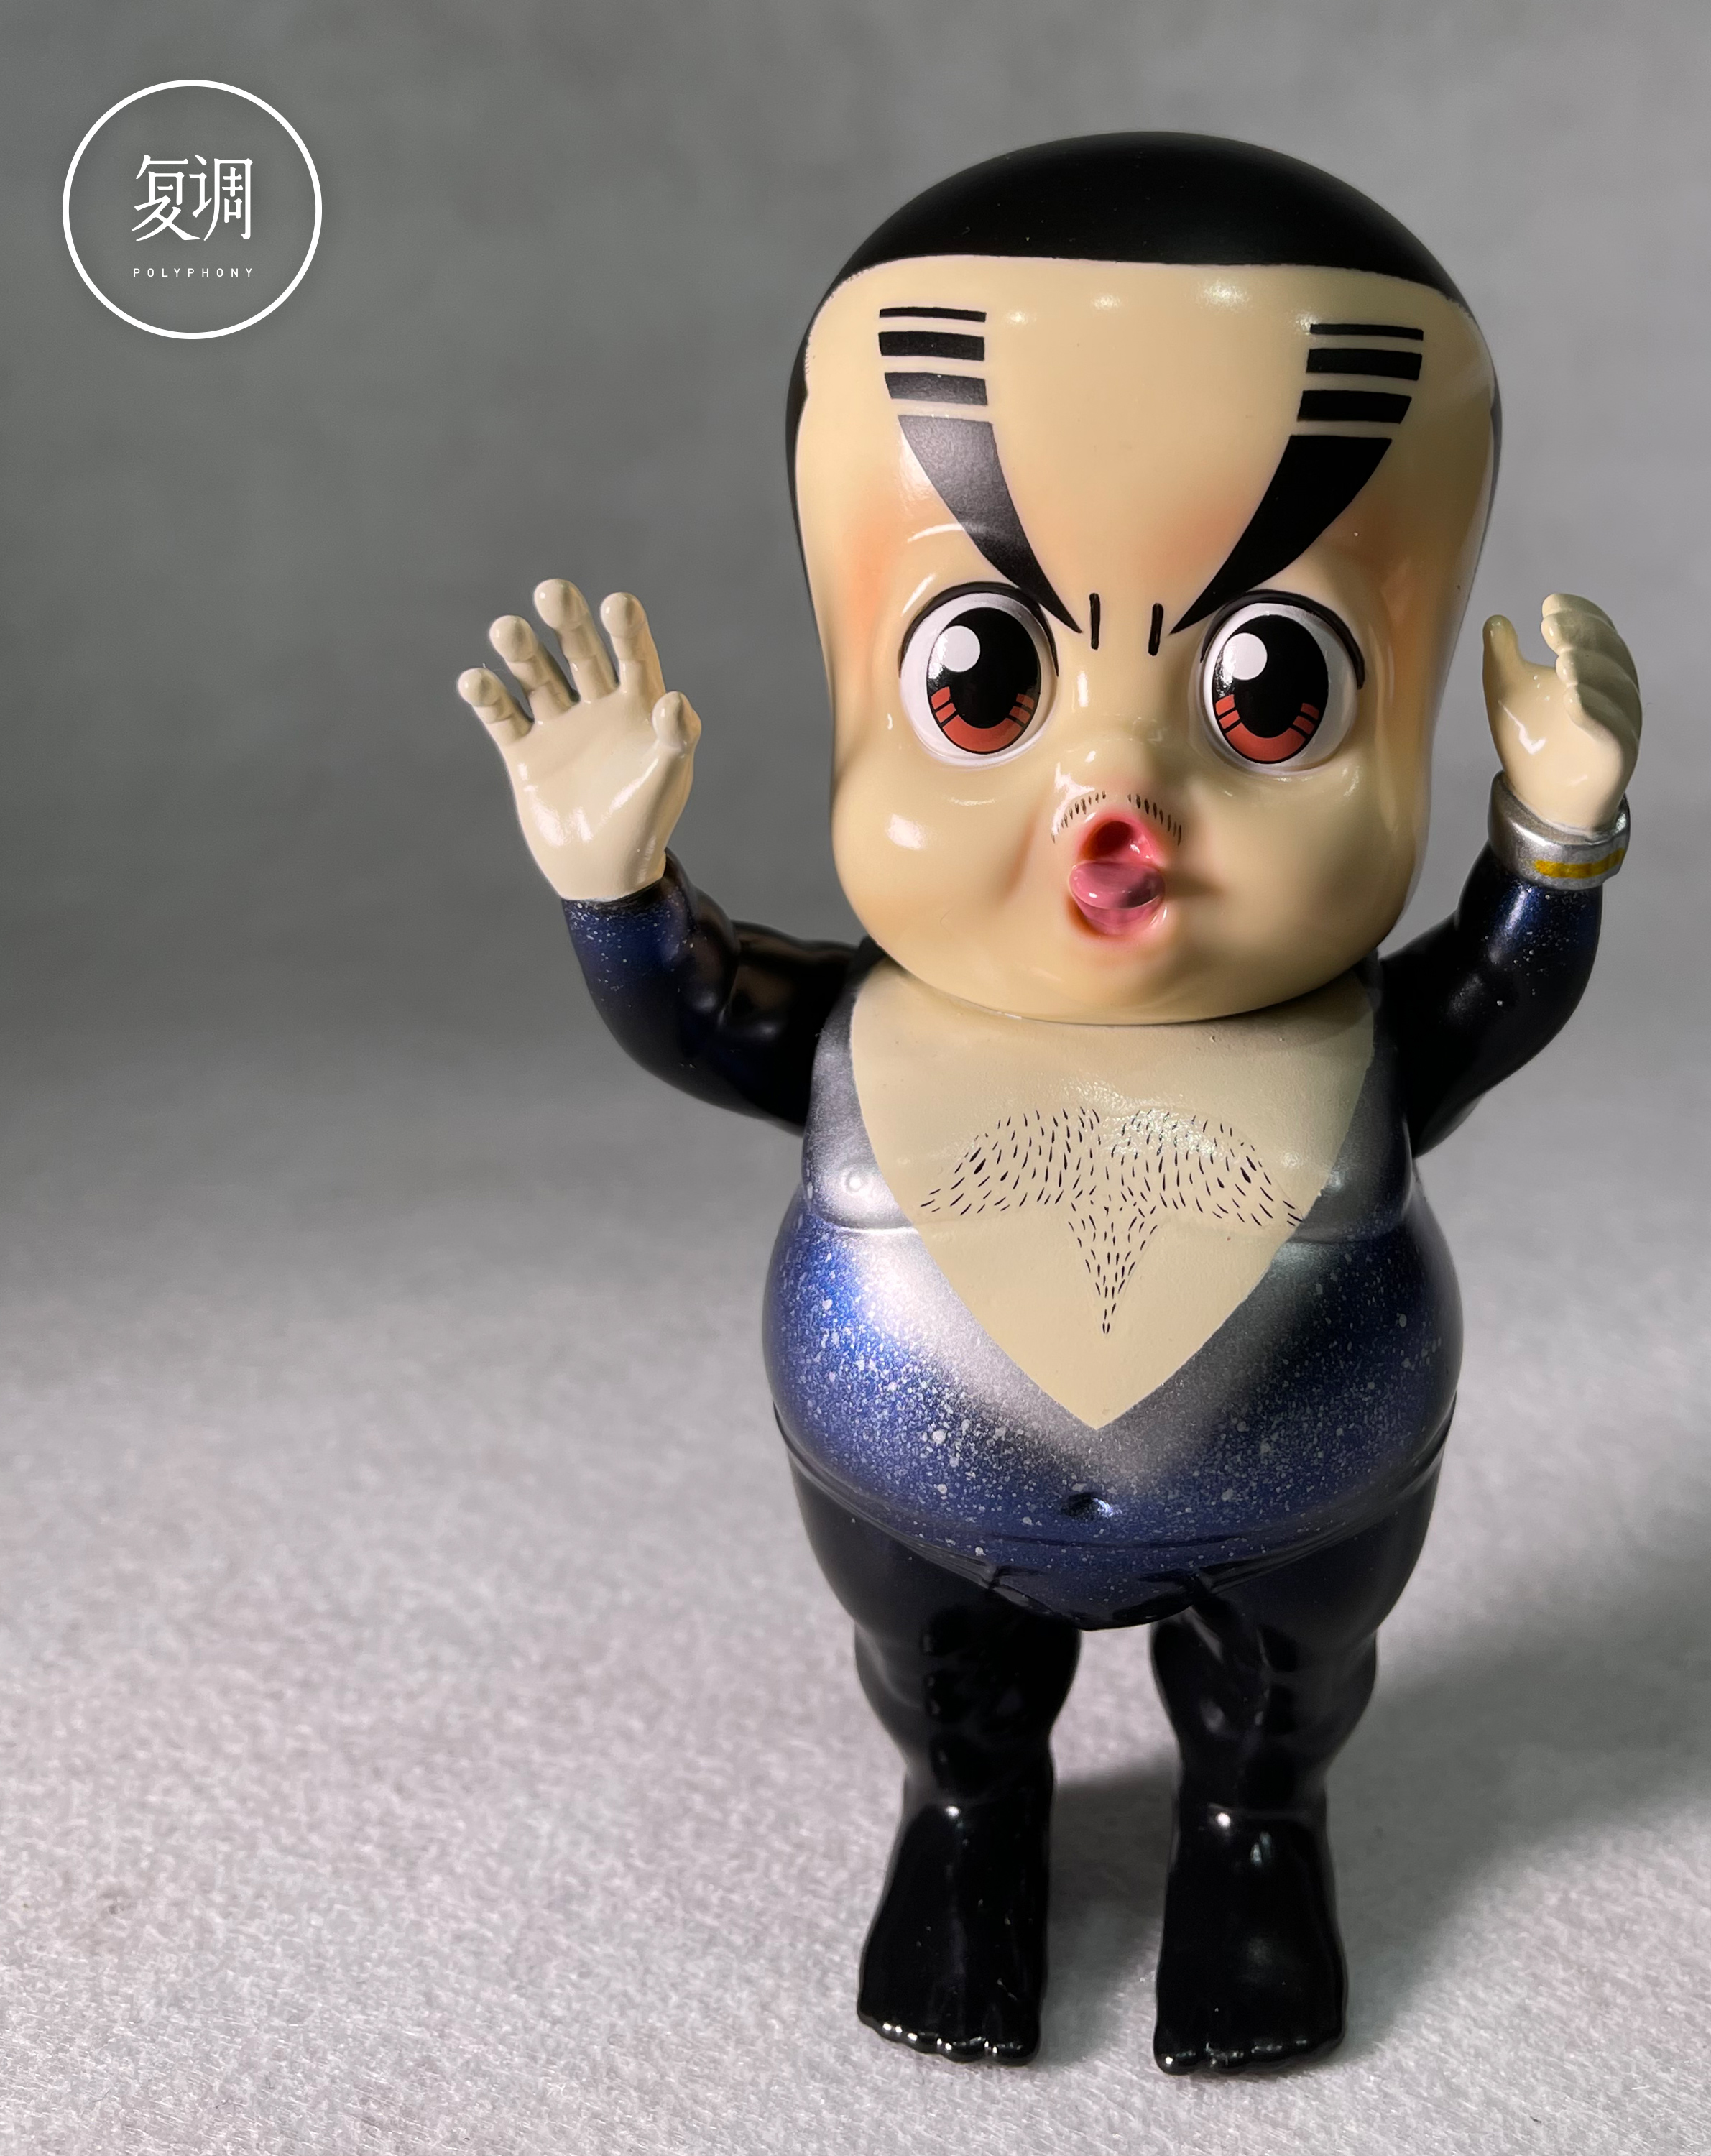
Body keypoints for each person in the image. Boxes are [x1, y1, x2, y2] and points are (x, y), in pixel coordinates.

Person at [456, 133, 1641, 2075]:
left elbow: (1497, 999)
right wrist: (616, 888)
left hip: (1307, 1485)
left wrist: (1556, 841)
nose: (1123, 788)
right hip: (911, 1489)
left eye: (1273, 688)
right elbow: (691, 1016)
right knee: (937, 1675)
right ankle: (965, 1813)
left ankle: (1258, 1826)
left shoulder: (1352, 1036)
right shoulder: (857, 1027)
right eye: (983, 676)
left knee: (1286, 1684)